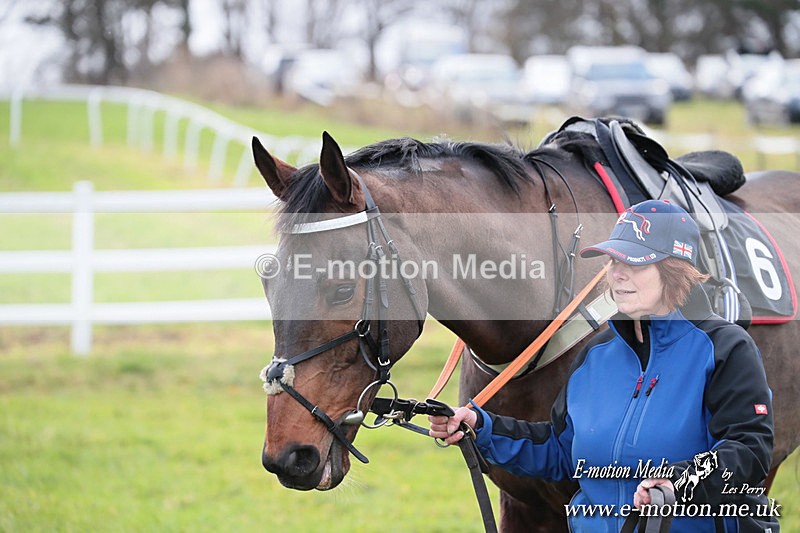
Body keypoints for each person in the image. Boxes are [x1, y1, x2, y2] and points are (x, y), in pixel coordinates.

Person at [429, 200, 778, 532]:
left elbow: (749, 451)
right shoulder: (595, 355)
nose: (618, 275)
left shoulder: (724, 348)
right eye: (613, 263)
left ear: (674, 269)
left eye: (634, 264)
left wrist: (678, 481)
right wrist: (481, 427)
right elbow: (562, 451)